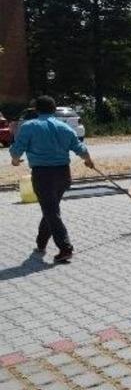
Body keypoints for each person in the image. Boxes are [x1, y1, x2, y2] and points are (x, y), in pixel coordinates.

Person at [9, 96, 94, 264]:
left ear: (35, 110)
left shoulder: (29, 127)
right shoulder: (64, 127)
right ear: (54, 109)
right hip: (63, 174)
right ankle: (41, 244)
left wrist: (15, 160)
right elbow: (79, 147)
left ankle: (65, 248)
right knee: (50, 209)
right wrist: (88, 160)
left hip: (43, 175)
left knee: (51, 211)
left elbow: (17, 149)